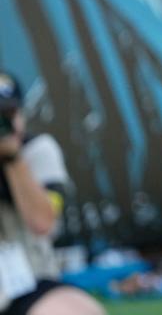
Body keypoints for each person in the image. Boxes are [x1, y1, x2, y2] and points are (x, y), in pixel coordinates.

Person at [0, 72, 105, 315]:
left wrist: (12, 159)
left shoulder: (37, 151)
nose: (4, 125)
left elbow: (42, 223)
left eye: (9, 115)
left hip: (27, 283)